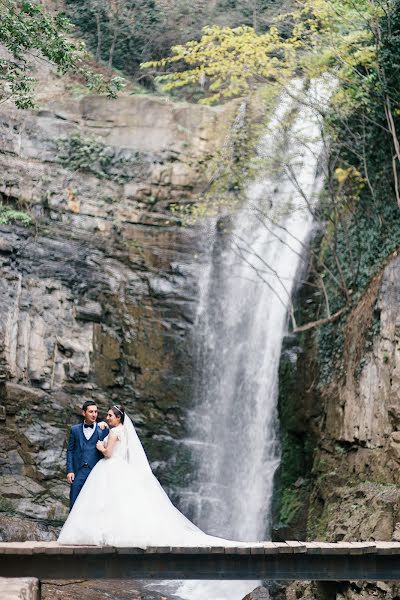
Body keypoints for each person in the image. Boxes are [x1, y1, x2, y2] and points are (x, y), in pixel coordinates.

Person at [58, 404, 246, 547]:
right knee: (118, 503)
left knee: (106, 502)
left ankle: (103, 533)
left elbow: (108, 453)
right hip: (120, 467)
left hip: (110, 466)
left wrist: (101, 447)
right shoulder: (122, 431)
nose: (105, 418)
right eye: (105, 415)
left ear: (118, 417)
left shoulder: (114, 432)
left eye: (109, 415)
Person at [66, 400, 109, 509]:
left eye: (95, 412)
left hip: (95, 471)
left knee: (93, 502)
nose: (94, 414)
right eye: (91, 412)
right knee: (74, 501)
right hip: (78, 471)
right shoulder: (75, 430)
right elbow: (70, 450)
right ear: (84, 413)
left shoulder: (102, 430)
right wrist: (70, 470)